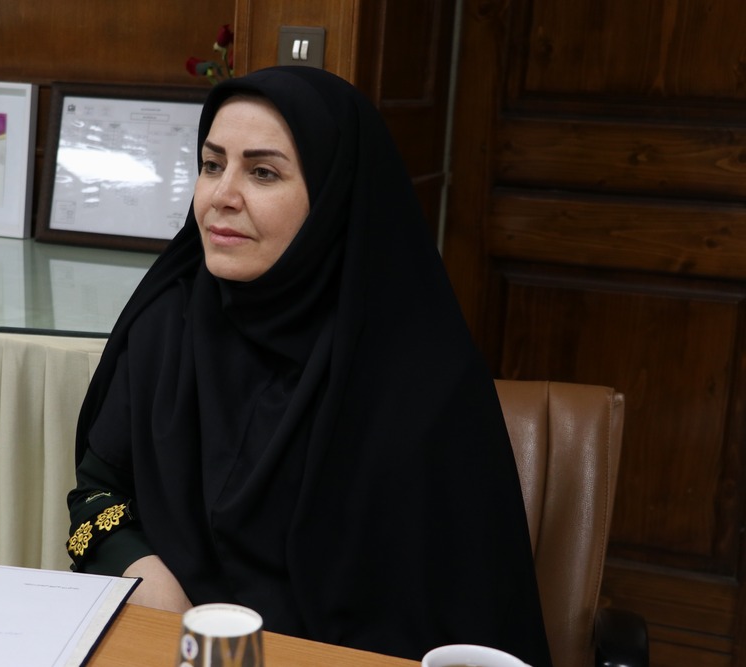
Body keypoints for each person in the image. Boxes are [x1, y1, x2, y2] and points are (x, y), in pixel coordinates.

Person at [66, 66, 552, 666]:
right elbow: (98, 495)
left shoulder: (420, 373)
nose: (221, 196)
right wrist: (160, 593)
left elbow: (457, 607)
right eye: (212, 165)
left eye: (263, 172)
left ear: (331, 198)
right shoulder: (168, 324)